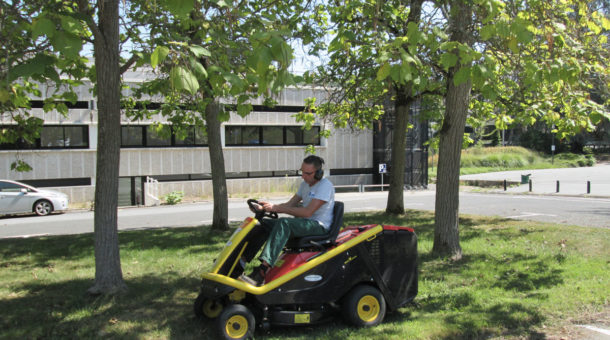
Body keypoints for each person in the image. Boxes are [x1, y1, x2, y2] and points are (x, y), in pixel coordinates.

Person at [239, 155, 335, 286]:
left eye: (307, 173)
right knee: (263, 223)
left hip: (318, 226)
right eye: (302, 172)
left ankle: (261, 271)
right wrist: (267, 208)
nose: (303, 176)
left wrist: (278, 209)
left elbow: (307, 212)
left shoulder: (325, 186)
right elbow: (290, 204)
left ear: (318, 173)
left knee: (284, 223)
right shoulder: (304, 185)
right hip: (305, 224)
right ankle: (241, 262)